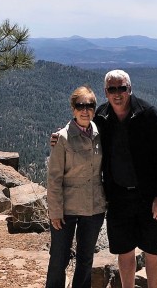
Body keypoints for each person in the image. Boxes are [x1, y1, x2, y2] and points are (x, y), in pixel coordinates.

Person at [95, 70, 157, 288]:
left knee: (153, 251)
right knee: (124, 251)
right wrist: (60, 137)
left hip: (148, 197)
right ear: (106, 92)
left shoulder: (148, 114)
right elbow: (80, 128)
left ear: (130, 89)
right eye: (112, 89)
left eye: (122, 88)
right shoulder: (101, 116)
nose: (117, 93)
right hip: (118, 196)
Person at [45, 86, 106, 288]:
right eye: (80, 105)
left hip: (94, 206)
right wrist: (54, 211)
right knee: (58, 259)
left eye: (90, 105)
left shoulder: (100, 134)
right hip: (66, 208)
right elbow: (54, 178)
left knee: (86, 259)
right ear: (73, 109)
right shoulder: (62, 138)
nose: (85, 110)